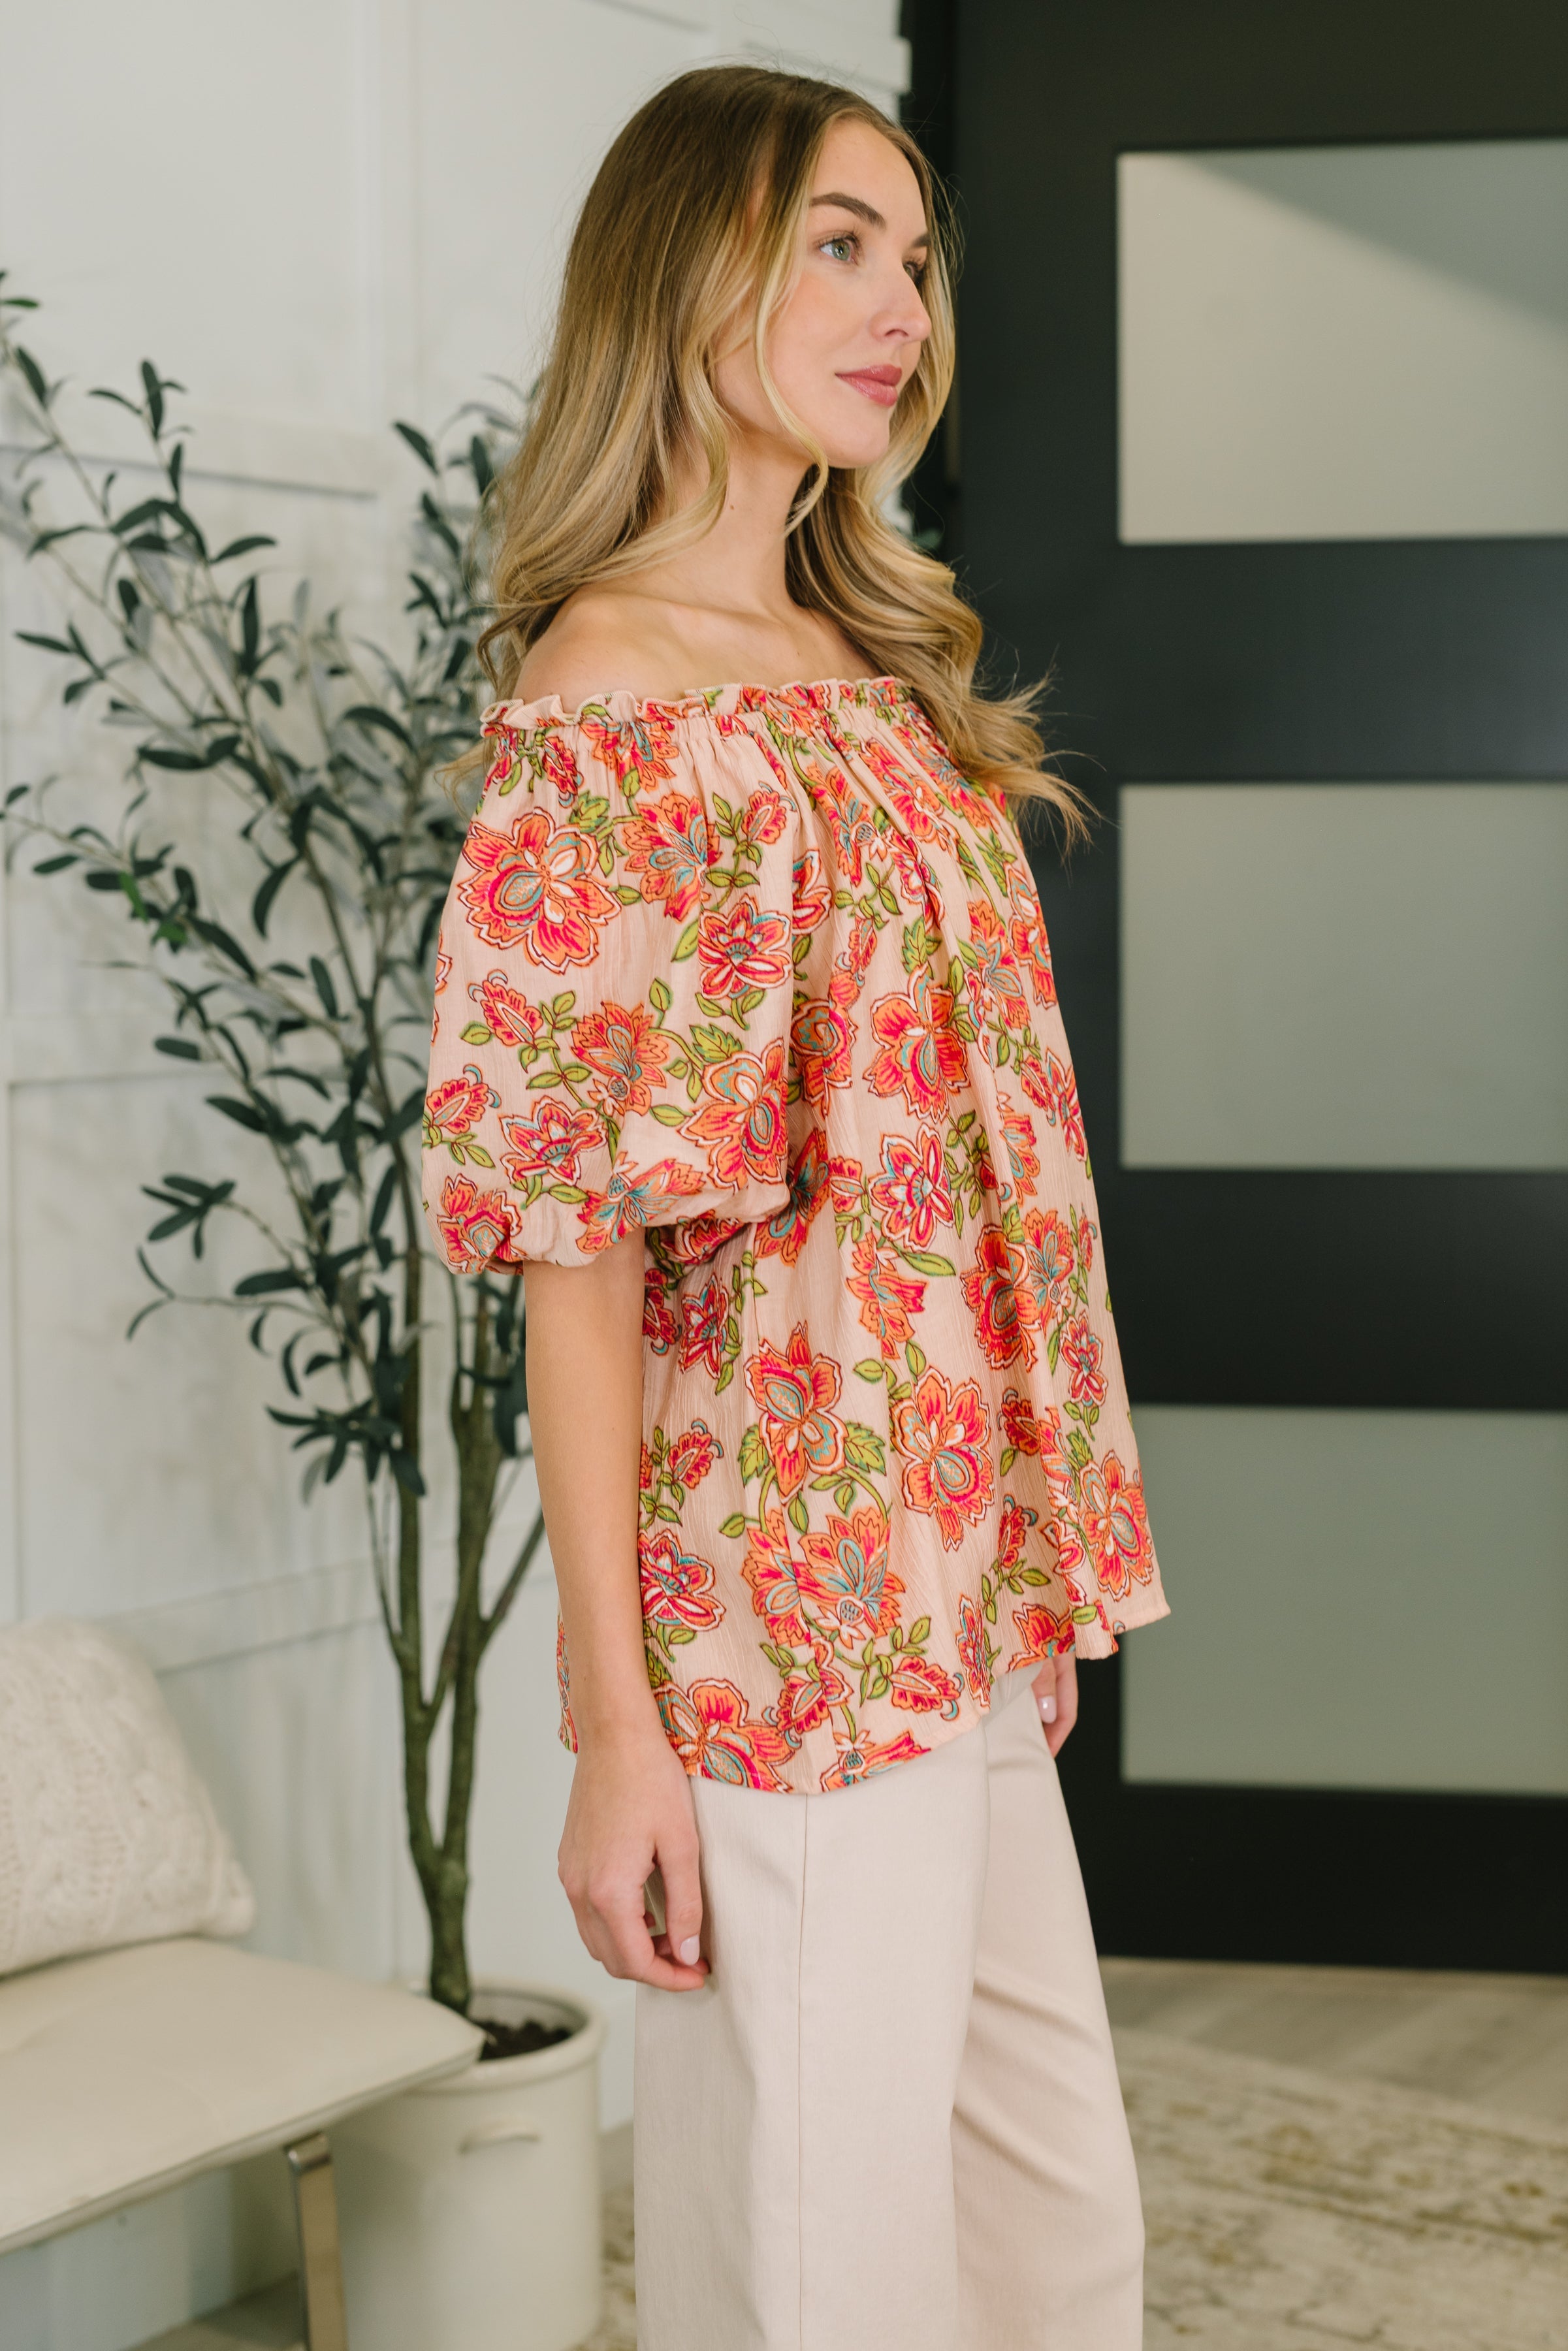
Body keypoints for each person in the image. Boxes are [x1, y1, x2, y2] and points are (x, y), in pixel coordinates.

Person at [422, 61, 1169, 2351]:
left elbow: (960, 1174)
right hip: (774, 1598)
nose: (899, 305)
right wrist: (613, 1729)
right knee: (834, 2271)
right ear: (687, 273)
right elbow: (574, 1259)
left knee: (1050, 2224)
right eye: (837, 243)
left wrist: (1021, 1553)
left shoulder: (874, 678)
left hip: (954, 1578)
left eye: (912, 256)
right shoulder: (604, 703)